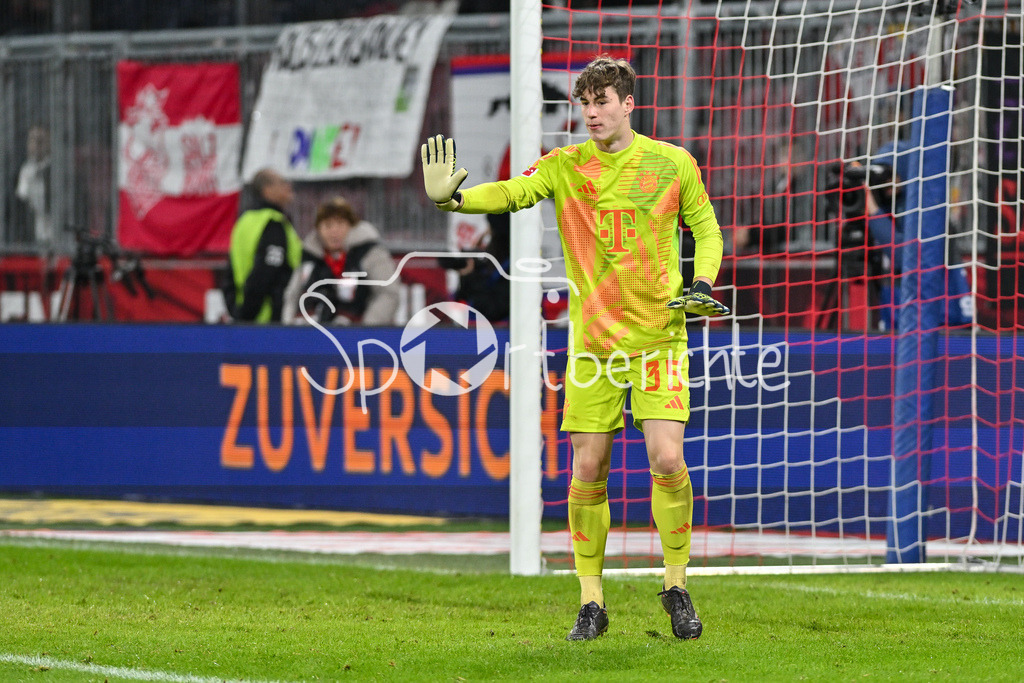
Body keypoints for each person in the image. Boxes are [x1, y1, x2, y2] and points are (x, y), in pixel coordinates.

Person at [421, 55, 727, 641]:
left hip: (660, 337)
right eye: (583, 103)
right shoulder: (564, 166)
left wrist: (703, 283)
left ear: (628, 104)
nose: (590, 112)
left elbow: (706, 227)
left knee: (667, 459)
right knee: (589, 468)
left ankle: (677, 585)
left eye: (601, 101)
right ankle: (592, 601)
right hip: (592, 345)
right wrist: (455, 201)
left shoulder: (672, 164)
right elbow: (513, 192)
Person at [282, 196, 399, 326]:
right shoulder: (310, 257)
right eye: (328, 225)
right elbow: (292, 295)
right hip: (310, 335)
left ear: (351, 226)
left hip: (358, 334)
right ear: (318, 229)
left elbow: (388, 293)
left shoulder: (370, 253)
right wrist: (290, 328)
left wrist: (367, 328)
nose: (334, 231)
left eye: (340, 224)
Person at [224, 168, 303, 323]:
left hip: (243, 313)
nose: (288, 186)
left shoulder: (244, 221)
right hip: (267, 320)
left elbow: (230, 272)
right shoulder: (272, 223)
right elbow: (265, 274)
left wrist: (236, 310)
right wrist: (248, 315)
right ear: (267, 190)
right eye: (282, 183)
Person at [16, 125, 52, 248]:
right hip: (32, 233)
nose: (35, 145)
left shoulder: (55, 169)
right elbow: (21, 201)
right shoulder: (25, 169)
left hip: (53, 232)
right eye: (31, 140)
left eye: (40, 141)